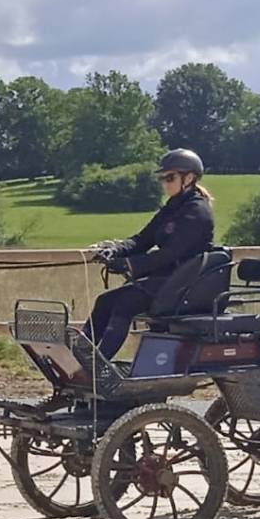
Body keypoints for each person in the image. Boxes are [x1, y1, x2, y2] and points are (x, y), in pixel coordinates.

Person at [82, 148, 215, 360]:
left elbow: (170, 254)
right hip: (168, 279)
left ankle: (99, 364)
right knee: (104, 301)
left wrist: (128, 265)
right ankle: (80, 357)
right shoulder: (172, 208)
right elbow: (142, 239)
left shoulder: (197, 212)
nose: (165, 183)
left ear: (189, 178)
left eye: (170, 177)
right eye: (162, 178)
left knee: (124, 303)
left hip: (184, 283)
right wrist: (116, 249)